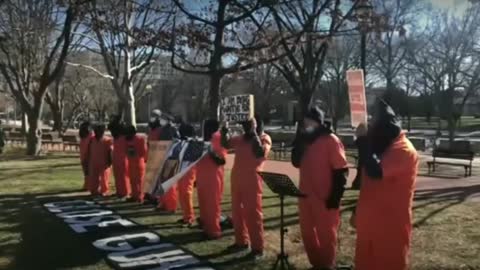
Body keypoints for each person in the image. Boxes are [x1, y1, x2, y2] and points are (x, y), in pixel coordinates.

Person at [350, 99, 418, 270]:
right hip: (369, 223)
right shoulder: (381, 147)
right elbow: (366, 183)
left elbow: (375, 172)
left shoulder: (403, 150)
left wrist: (363, 141)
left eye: (373, 124)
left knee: (388, 263)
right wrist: (358, 211)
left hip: (390, 226)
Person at [291, 106, 349, 270]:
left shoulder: (331, 140)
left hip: (325, 197)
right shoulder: (305, 140)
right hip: (305, 195)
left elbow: (341, 170)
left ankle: (327, 265)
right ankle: (316, 264)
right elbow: (296, 162)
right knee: (307, 233)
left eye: (310, 121)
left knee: (326, 235)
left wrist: (335, 197)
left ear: (318, 122)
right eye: (305, 121)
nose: (306, 124)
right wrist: (298, 141)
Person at [221, 116, 272, 260]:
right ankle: (241, 242)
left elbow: (260, 153)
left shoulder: (264, 138)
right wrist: (224, 129)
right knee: (237, 214)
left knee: (253, 215)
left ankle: (258, 248)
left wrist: (254, 132)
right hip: (237, 180)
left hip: (252, 181)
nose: (245, 129)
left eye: (247, 126)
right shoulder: (242, 138)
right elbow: (226, 144)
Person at [196, 119, 227, 239]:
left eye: (207, 127)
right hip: (202, 176)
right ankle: (206, 227)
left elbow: (221, 160)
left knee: (212, 205)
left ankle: (214, 230)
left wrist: (211, 151)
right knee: (203, 203)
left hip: (213, 177)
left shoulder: (218, 137)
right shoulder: (203, 139)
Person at [176, 123, 197, 225]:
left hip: (188, 169)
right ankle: (186, 215)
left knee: (186, 192)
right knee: (181, 192)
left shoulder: (192, 142)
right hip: (181, 169)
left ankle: (189, 217)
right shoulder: (182, 142)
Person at [124, 125, 148, 203]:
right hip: (131, 162)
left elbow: (144, 151)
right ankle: (134, 195)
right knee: (132, 180)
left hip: (138, 162)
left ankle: (140, 196)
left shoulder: (140, 139)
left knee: (139, 180)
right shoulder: (128, 140)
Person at [87, 123, 113, 196]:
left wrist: (110, 161)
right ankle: (94, 190)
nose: (96, 132)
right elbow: (89, 150)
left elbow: (110, 151)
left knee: (104, 178)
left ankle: (104, 191)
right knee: (93, 177)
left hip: (104, 162)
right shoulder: (92, 140)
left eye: (99, 131)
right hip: (94, 161)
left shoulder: (107, 140)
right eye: (96, 131)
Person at [108, 118, 131, 199]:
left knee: (123, 176)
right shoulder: (117, 137)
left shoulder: (124, 137)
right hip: (117, 158)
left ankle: (125, 192)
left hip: (123, 159)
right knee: (117, 176)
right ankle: (119, 191)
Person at [79, 121, 94, 190]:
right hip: (84, 157)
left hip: (89, 157)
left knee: (89, 173)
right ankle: (87, 186)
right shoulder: (83, 137)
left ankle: (89, 186)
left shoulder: (91, 136)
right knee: (86, 173)